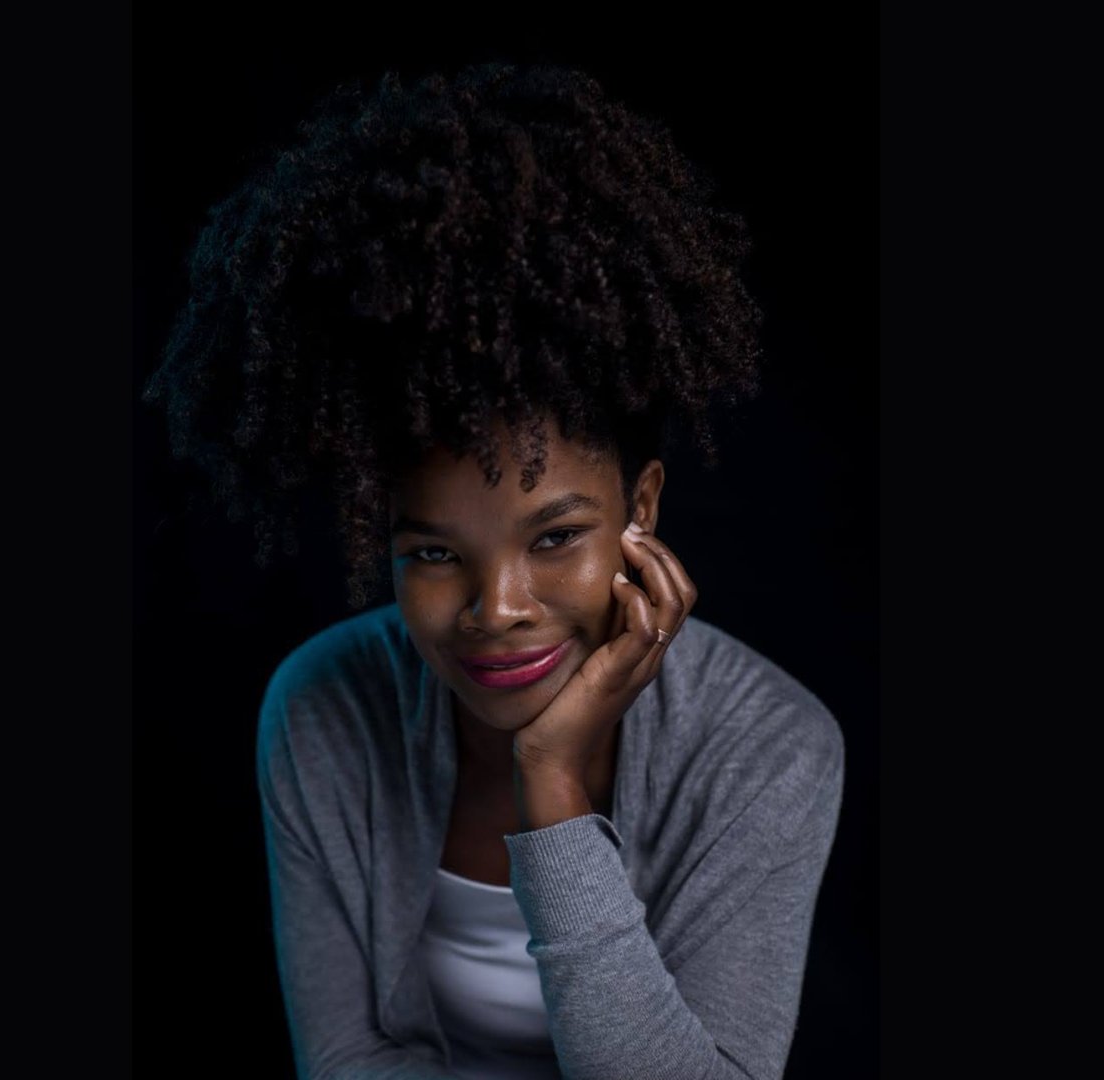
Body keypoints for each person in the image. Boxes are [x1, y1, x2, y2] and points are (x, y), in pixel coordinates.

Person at [142, 61, 844, 1080]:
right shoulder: (324, 707)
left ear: (641, 510)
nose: (496, 609)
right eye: (433, 553)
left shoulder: (770, 748)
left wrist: (550, 782)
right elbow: (344, 1058)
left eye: (554, 536)